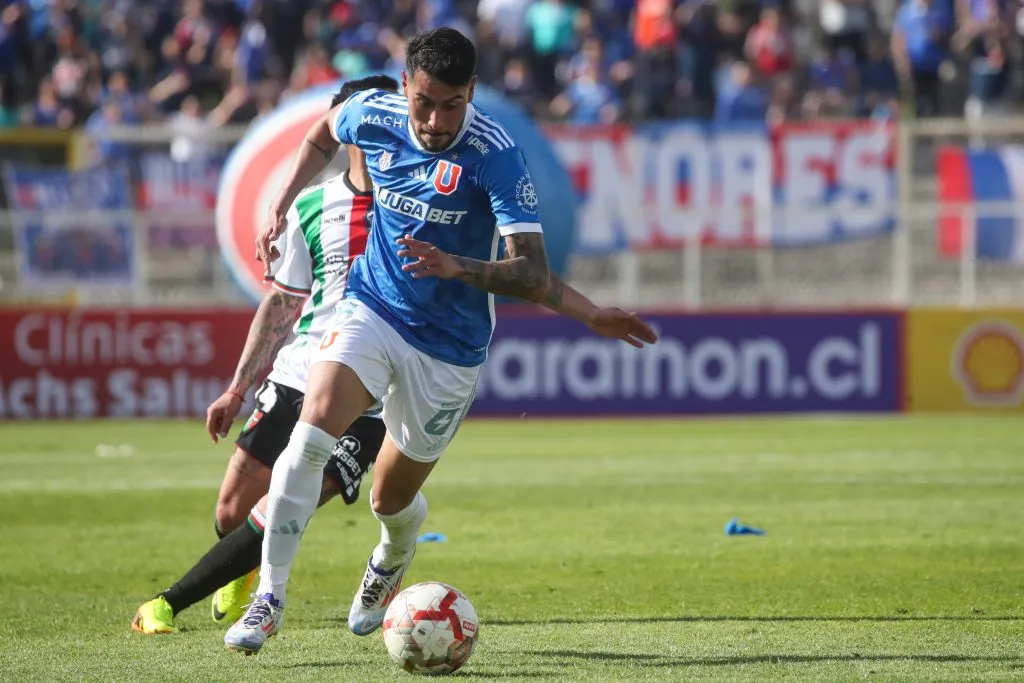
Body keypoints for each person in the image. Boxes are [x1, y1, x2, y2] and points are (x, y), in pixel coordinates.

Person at [226, 27, 658, 654]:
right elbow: (324, 130)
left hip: (450, 348)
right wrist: (283, 200)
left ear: (472, 93)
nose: (433, 120)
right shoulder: (372, 111)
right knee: (313, 427)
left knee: (389, 497)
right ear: (404, 86)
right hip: (373, 308)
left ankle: (392, 556)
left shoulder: (496, 154)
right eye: (423, 102)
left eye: (451, 104)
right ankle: (269, 599)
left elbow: (530, 270)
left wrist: (471, 272)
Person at [130, 75, 399, 635]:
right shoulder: (312, 204)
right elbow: (281, 303)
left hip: (371, 395)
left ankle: (165, 603)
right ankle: (243, 566)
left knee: (286, 500)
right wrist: (237, 387)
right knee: (232, 513)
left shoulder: (412, 207)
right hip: (300, 372)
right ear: (343, 129)